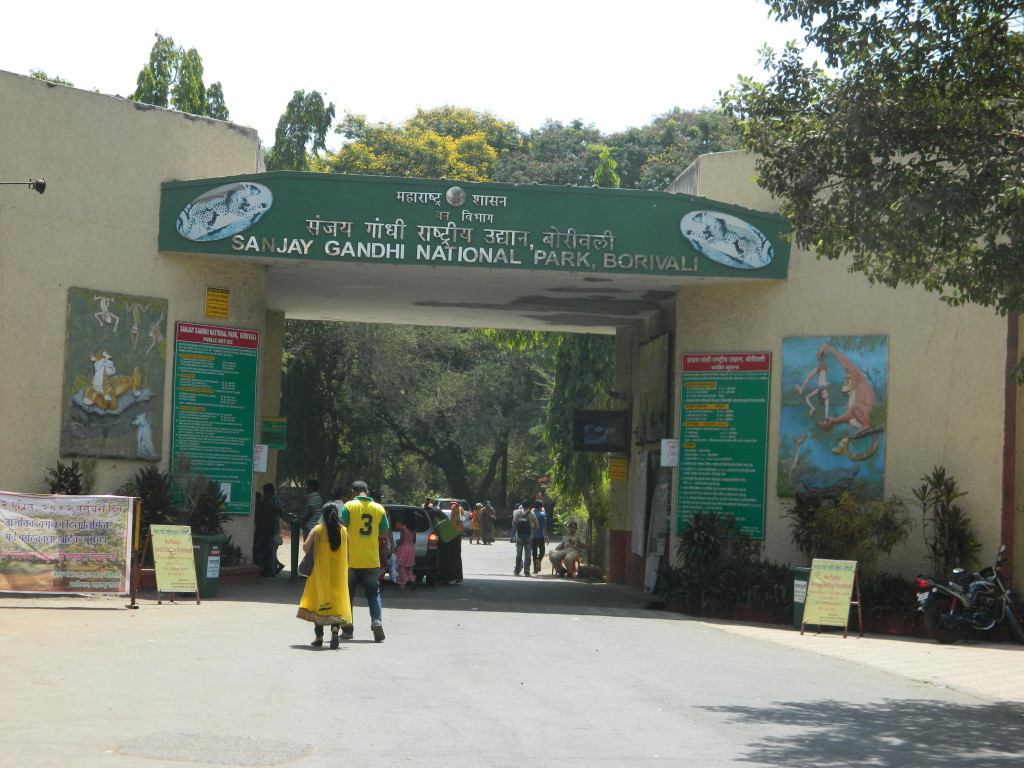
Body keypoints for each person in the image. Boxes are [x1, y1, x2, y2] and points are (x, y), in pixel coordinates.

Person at [339, 481, 389, 642]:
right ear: (367, 491)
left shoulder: (349, 506)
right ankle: (376, 621)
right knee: (374, 594)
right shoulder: (379, 509)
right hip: (371, 558)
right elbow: (384, 533)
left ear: (353, 491)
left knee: (347, 595)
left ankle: (347, 630)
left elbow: (341, 528)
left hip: (350, 559)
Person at [296, 504, 351, 649]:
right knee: (336, 601)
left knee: (318, 601)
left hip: (319, 572)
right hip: (338, 573)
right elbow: (348, 555)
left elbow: (306, 548)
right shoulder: (344, 531)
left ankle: (319, 636)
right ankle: (335, 629)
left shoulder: (318, 529)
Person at [432, 500, 464, 584]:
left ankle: (448, 577)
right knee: (449, 558)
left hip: (450, 538)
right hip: (450, 537)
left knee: (448, 558)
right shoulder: (438, 514)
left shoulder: (434, 516)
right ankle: (447, 577)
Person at [252, 489, 278, 577]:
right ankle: (271, 570)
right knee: (270, 550)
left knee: (258, 549)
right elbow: (279, 511)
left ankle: (259, 567)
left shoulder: (257, 506)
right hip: (270, 529)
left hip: (262, 530)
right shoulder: (268, 505)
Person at [511, 503, 538, 576]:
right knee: (528, 554)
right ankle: (527, 570)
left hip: (519, 536)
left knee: (519, 553)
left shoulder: (518, 513)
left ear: (522, 506)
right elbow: (536, 525)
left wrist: (518, 529)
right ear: (529, 506)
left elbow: (513, 522)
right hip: (529, 536)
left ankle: (517, 569)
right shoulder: (532, 514)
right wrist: (532, 528)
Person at [392, 515, 416, 590]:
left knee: (401, 568)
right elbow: (414, 540)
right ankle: (412, 579)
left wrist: (396, 547)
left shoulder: (404, 528)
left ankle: (403, 584)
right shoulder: (414, 529)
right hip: (411, 549)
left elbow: (401, 539)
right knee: (409, 568)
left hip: (404, 549)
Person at [530, 502, 548, 574]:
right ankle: (539, 559)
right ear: (540, 507)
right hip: (540, 536)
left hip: (532, 536)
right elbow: (544, 527)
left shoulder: (530, 514)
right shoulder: (542, 515)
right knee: (542, 551)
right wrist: (546, 537)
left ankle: (535, 569)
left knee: (534, 552)